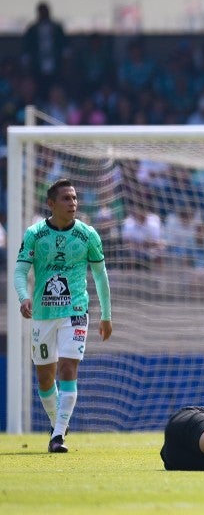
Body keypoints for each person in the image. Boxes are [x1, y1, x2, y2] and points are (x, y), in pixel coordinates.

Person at [14, 179, 112, 453]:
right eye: (66, 199)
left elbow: (100, 277)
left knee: (68, 369)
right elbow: (21, 272)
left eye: (75, 198)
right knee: (45, 378)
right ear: (51, 204)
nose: (73, 203)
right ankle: (59, 422)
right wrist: (24, 297)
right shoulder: (35, 234)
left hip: (76, 311)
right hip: (43, 314)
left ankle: (57, 437)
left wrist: (107, 315)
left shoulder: (87, 234)